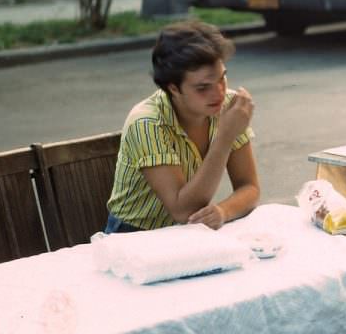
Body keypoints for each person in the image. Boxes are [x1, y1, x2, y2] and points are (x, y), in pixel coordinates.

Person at [106, 19, 259, 232]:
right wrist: (225, 137)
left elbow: (249, 187)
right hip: (135, 234)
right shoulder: (147, 122)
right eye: (203, 87)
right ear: (174, 89)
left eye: (222, 78)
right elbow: (182, 211)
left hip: (190, 232)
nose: (219, 93)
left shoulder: (227, 106)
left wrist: (223, 211)